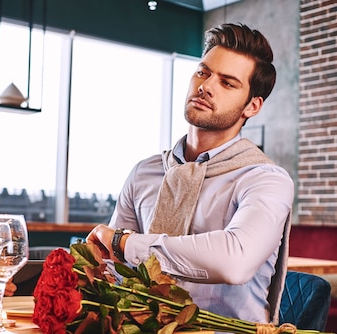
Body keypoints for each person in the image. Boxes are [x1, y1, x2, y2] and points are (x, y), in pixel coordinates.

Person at [86, 23, 294, 325]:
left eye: (227, 83)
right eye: (203, 72)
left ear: (252, 106)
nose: (206, 86)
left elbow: (236, 260)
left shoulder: (265, 180)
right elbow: (114, 266)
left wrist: (128, 243)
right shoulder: (145, 172)